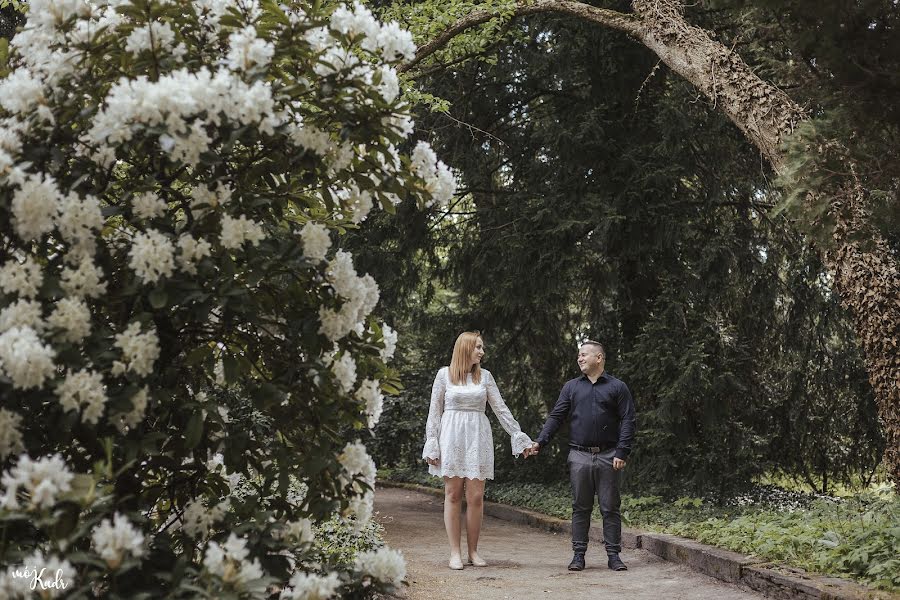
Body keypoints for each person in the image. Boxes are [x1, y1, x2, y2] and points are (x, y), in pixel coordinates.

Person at [422, 331, 535, 570]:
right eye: (478, 347)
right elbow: (434, 411)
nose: (482, 352)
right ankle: (455, 552)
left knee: (475, 497)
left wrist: (519, 437)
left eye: (482, 348)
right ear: (465, 348)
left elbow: (501, 409)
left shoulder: (485, 377)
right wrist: (432, 442)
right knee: (453, 494)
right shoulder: (444, 375)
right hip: (451, 437)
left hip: (477, 436)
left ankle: (473, 551)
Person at [525, 340, 636, 572]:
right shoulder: (571, 387)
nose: (580, 358)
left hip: (609, 455)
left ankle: (614, 556)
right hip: (579, 455)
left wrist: (622, 451)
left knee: (610, 508)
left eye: (584, 354)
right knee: (580, 507)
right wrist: (540, 441)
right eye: (579, 355)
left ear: (599, 358)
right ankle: (578, 556)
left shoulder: (618, 387)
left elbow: (628, 420)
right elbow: (556, 417)